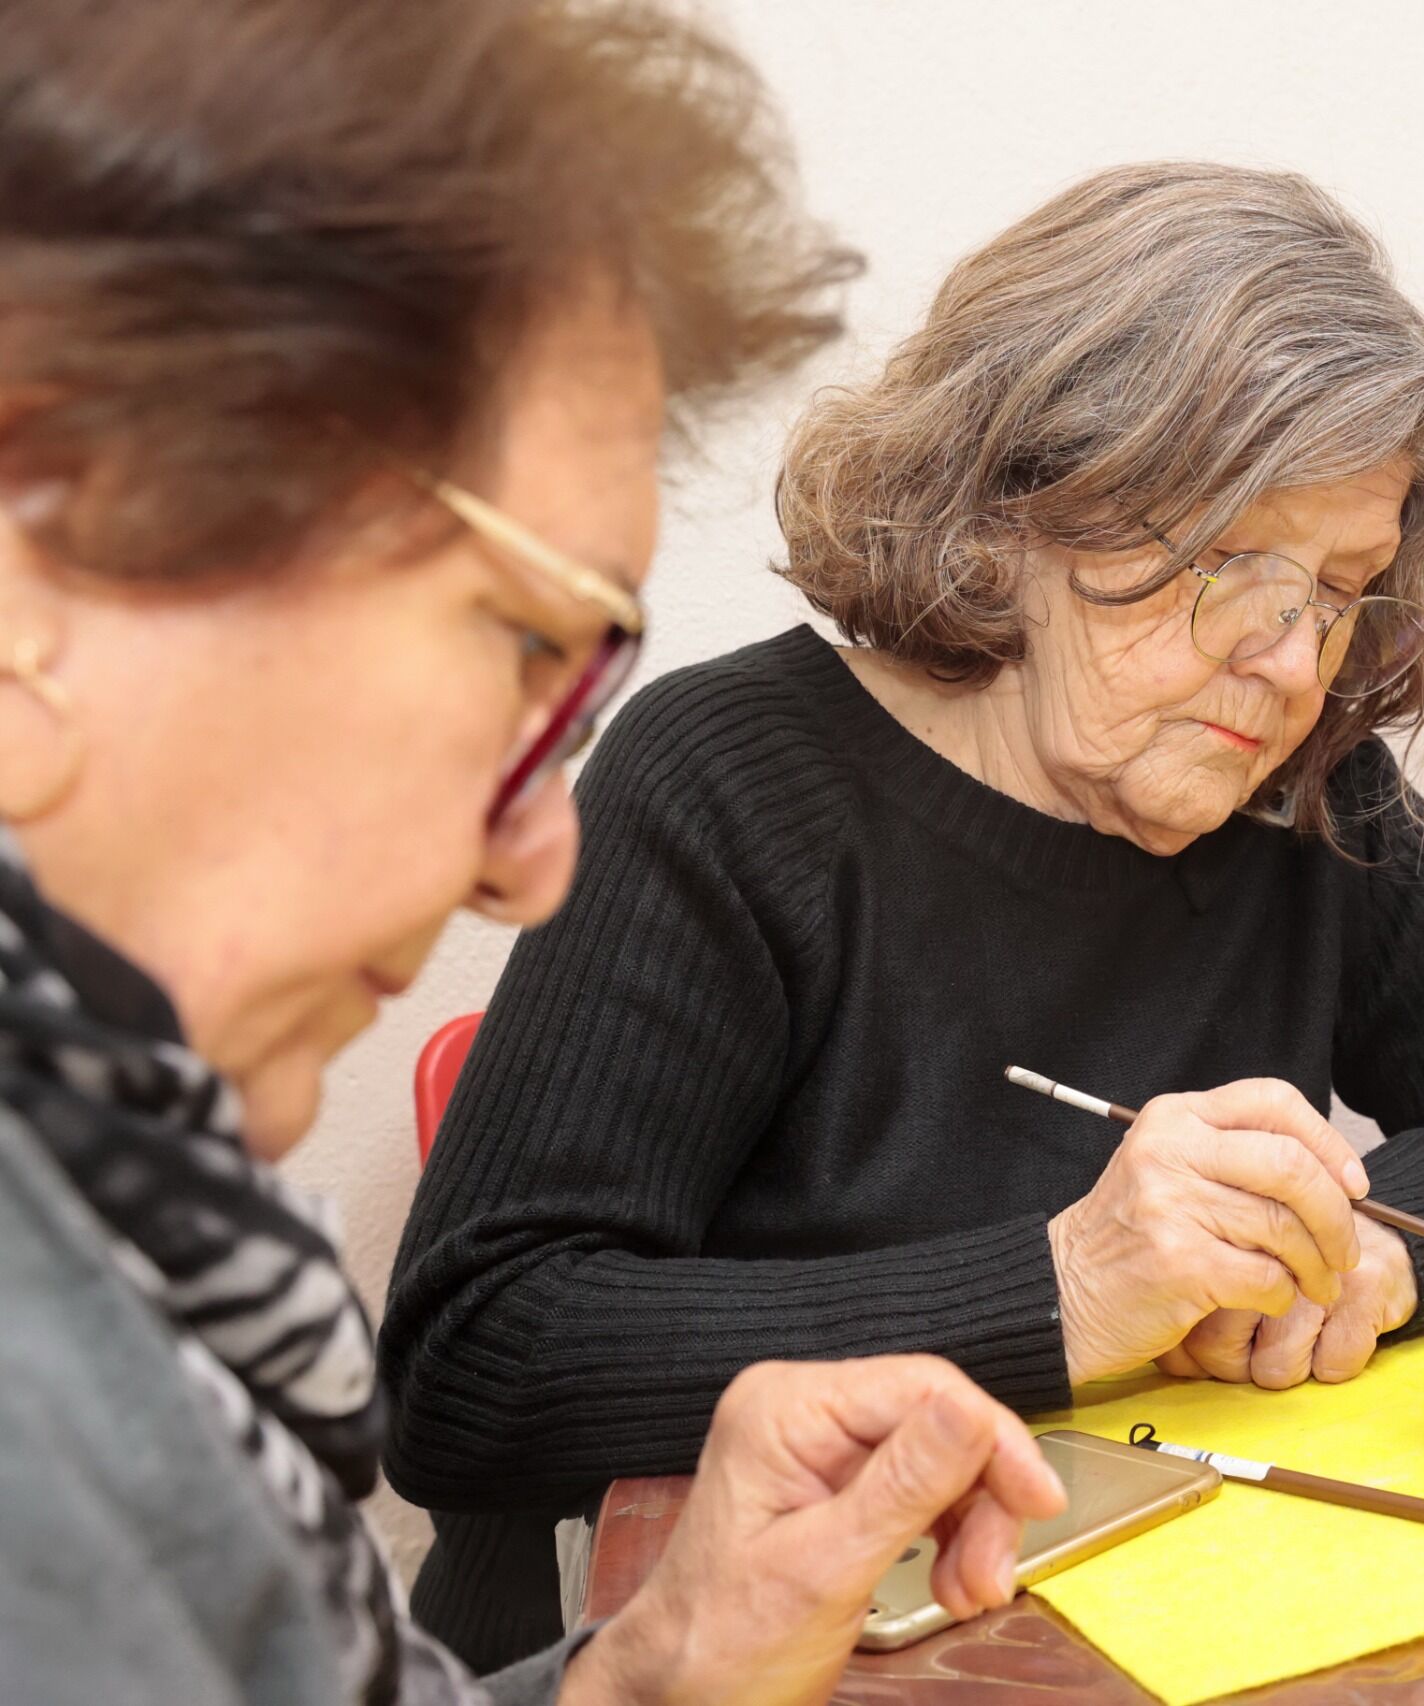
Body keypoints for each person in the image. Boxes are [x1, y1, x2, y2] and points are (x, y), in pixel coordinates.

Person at [382, 160, 1424, 1664]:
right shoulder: (731, 782)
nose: (1290, 661)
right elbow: (475, 1366)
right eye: (1230, 565)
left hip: (1152, 1620)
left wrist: (1378, 1255)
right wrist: (1066, 1289)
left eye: (1340, 587)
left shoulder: (1306, 790)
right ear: (1011, 512)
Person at [0, 3, 1064, 1701]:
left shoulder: (125, 1215)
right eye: (528, 649)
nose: (532, 865)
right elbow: (489, 1349)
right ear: (46, 510)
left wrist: (654, 1671)